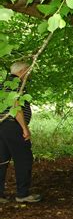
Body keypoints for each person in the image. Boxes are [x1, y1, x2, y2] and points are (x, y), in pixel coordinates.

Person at [0, 62, 42, 203]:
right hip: (13, 126)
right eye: (28, 71)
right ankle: (22, 194)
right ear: (22, 71)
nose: (28, 74)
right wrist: (25, 128)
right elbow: (16, 108)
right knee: (24, 159)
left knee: (2, 160)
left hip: (2, 126)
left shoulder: (3, 84)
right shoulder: (16, 84)